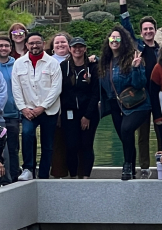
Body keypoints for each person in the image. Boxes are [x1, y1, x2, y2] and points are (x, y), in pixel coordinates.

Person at [99, 25, 151, 181]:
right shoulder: (105, 62)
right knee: (125, 137)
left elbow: (140, 83)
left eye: (118, 38)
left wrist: (136, 67)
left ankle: (127, 164)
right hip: (117, 105)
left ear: (123, 41)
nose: (115, 41)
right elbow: (103, 85)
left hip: (138, 104)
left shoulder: (131, 58)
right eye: (112, 38)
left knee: (126, 129)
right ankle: (131, 170)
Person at [117, 0, 160, 179]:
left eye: (151, 29)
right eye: (145, 29)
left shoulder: (161, 50)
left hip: (160, 96)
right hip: (141, 97)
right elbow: (126, 28)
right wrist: (123, 2)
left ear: (155, 31)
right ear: (141, 32)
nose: (148, 31)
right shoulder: (137, 46)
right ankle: (143, 167)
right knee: (142, 134)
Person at [12, 33, 61, 181]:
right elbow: (16, 88)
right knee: (27, 134)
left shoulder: (52, 63)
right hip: (28, 110)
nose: (34, 46)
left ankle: (44, 173)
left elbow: (56, 88)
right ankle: (28, 168)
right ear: (26, 45)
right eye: (31, 43)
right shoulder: (19, 63)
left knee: (48, 143)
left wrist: (43, 107)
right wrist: (23, 108)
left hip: (49, 110)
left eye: (38, 43)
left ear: (44, 44)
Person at [60, 37, 100, 179]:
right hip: (69, 113)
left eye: (80, 47)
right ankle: (74, 176)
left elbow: (96, 93)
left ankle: (86, 176)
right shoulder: (63, 67)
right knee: (71, 146)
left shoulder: (93, 67)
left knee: (86, 144)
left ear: (85, 48)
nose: (77, 49)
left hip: (89, 112)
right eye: (74, 47)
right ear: (70, 49)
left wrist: (87, 115)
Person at [0, 36, 20, 182]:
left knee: (13, 148)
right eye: (0, 45)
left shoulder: (17, 64)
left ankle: (15, 177)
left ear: (11, 48)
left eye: (6, 46)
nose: (3, 48)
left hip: (13, 113)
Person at [47, 32, 71, 179]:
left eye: (64, 42)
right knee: (56, 142)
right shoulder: (48, 62)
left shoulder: (77, 59)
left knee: (74, 141)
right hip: (54, 107)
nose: (60, 45)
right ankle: (57, 173)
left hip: (73, 108)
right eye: (57, 43)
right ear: (52, 46)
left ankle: (75, 173)